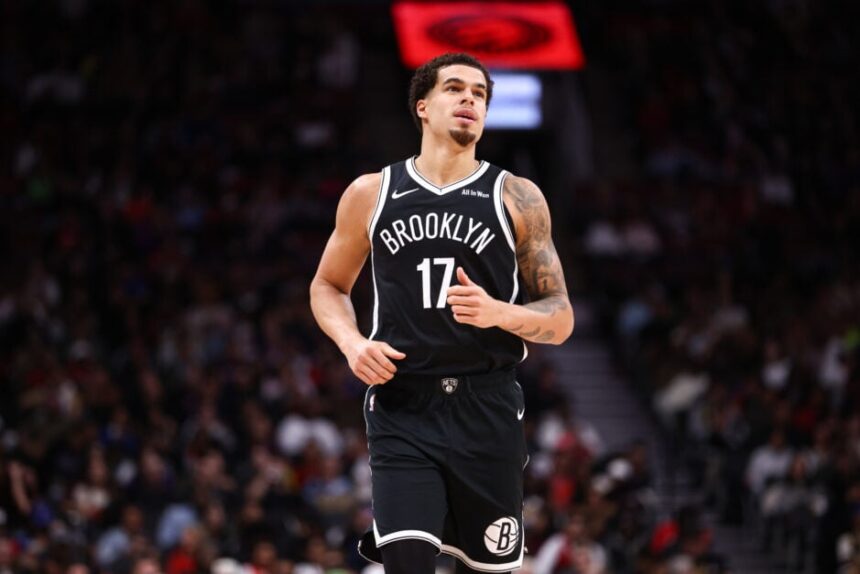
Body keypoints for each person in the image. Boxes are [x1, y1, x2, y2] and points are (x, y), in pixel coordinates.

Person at [310, 52, 574, 574]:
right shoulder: (371, 193)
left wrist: (499, 312)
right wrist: (352, 343)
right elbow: (327, 286)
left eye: (480, 94)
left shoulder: (517, 196)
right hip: (404, 405)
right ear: (423, 107)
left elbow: (560, 317)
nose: (470, 99)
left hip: (487, 409)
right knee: (407, 561)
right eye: (455, 88)